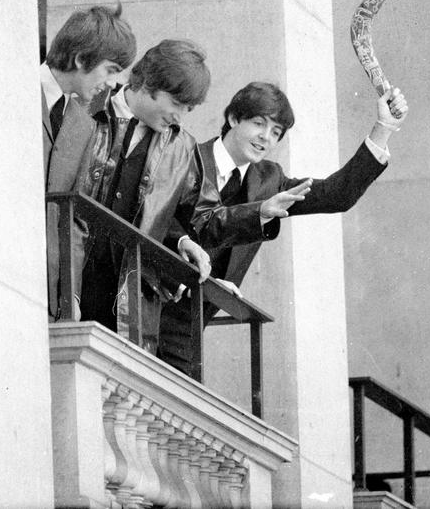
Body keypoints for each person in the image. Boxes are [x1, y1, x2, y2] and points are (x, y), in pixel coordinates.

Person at [158, 80, 409, 374]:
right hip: (149, 302)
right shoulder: (186, 156)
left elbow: (336, 195)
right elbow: (158, 221)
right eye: (258, 124)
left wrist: (384, 128)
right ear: (233, 118)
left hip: (189, 326)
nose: (266, 137)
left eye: (276, 132)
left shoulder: (269, 179)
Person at [78, 39, 213, 355]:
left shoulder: (182, 147)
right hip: (72, 284)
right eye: (177, 104)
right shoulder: (86, 106)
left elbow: (190, 215)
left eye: (188, 109)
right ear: (150, 83)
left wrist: (183, 241)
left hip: (127, 303)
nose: (180, 117)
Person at [41, 3, 136, 322]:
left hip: (47, 298)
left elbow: (74, 220)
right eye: (110, 69)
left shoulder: (83, 125)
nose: (113, 83)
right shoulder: (6, 90)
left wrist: (71, 295)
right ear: (81, 58)